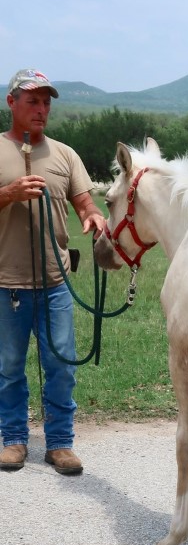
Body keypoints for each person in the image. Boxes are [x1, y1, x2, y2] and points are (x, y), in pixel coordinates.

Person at [0, 69, 106, 474]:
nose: (41, 109)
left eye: (46, 102)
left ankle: (60, 443)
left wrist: (93, 217)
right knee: (9, 367)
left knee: (61, 365)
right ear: (12, 103)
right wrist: (8, 194)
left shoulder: (65, 154)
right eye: (33, 101)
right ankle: (13, 440)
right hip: (6, 283)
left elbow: (84, 202)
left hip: (55, 282)